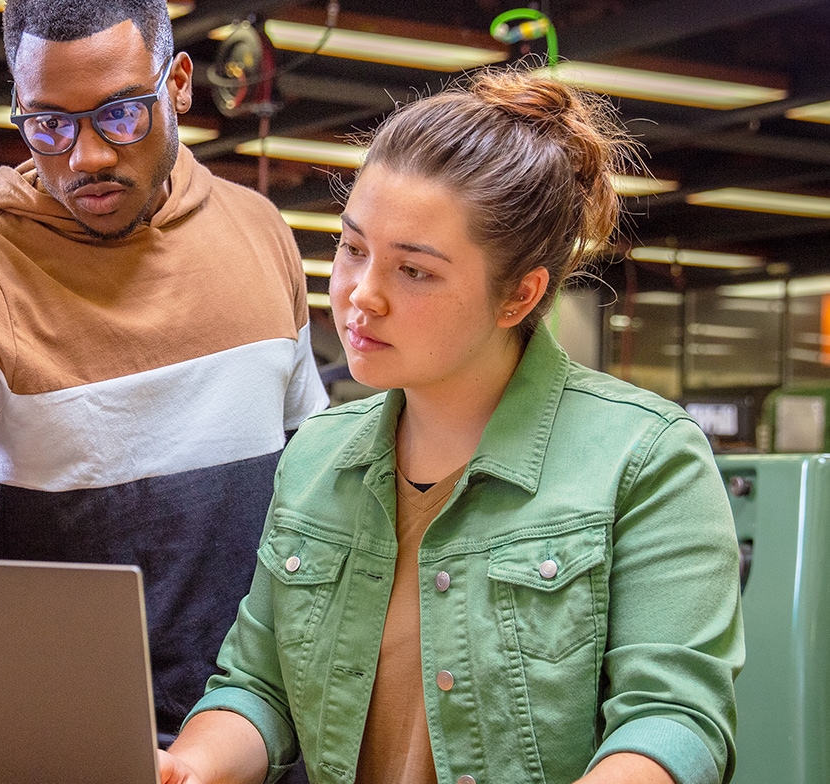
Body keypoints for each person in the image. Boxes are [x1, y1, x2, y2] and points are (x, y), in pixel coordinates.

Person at [158, 69, 745, 784]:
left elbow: (673, 719)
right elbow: (258, 687)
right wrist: (188, 766)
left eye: (415, 271)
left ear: (520, 294)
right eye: (352, 248)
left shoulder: (645, 460)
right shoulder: (317, 456)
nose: (360, 295)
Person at [0, 0, 328, 742]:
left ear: (180, 84)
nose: (85, 156)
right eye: (49, 125)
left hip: (267, 729)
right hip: (75, 743)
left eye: (121, 114)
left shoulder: (260, 233)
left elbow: (313, 472)